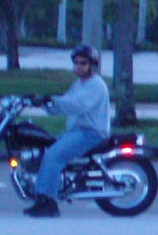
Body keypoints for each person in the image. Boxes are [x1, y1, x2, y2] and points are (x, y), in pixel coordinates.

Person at [25, 44, 111, 218]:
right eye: (76, 63)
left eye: (83, 63)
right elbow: (65, 103)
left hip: (92, 133)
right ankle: (43, 194)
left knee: (54, 156)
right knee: (44, 147)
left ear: (92, 65)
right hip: (77, 131)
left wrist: (53, 100)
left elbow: (76, 105)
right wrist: (43, 103)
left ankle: (49, 203)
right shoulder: (79, 83)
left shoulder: (96, 85)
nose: (78, 66)